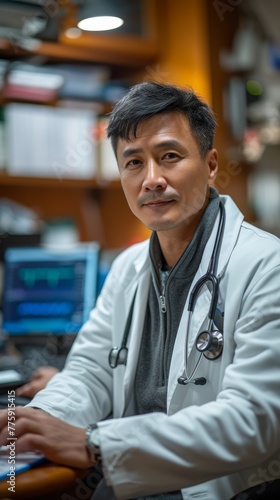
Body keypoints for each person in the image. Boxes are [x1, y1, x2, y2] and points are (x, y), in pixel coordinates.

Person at [1, 81, 280, 500]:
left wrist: (94, 443)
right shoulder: (126, 268)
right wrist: (37, 421)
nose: (152, 179)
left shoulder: (266, 265)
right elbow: (88, 373)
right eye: (133, 162)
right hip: (127, 478)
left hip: (215, 489)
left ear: (210, 165)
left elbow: (253, 421)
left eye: (169, 156)